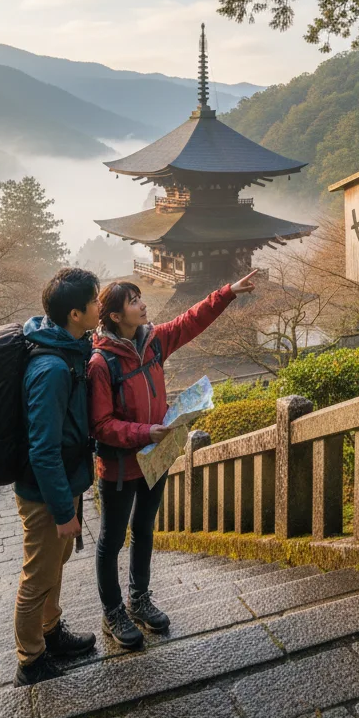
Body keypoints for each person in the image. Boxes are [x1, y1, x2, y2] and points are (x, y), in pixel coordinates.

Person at [90, 270, 258, 649]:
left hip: (157, 457)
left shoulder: (153, 341)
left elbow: (190, 321)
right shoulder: (101, 363)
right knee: (112, 539)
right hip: (120, 466)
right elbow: (100, 425)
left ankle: (139, 599)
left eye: (139, 298)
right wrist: (143, 432)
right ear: (115, 316)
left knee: (145, 528)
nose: (142, 305)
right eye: (133, 302)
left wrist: (227, 291)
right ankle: (112, 611)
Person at [12, 267, 101, 686]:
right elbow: (43, 449)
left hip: (65, 481)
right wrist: (64, 510)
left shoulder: (70, 346)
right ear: (75, 314)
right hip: (45, 491)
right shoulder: (50, 368)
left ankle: (50, 632)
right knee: (38, 574)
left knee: (55, 563)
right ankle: (30, 661)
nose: (100, 305)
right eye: (95, 301)